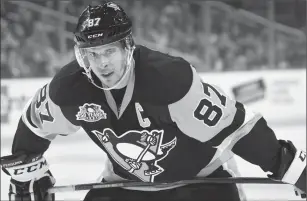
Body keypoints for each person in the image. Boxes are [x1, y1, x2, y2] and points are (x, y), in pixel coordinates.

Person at [1, 2, 306, 201]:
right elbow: (34, 125)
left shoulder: (170, 80)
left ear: (127, 48)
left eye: (109, 51)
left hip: (200, 182)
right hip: (123, 184)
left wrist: (286, 165)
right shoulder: (69, 89)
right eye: (93, 54)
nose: (102, 63)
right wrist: (29, 173)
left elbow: (238, 128)